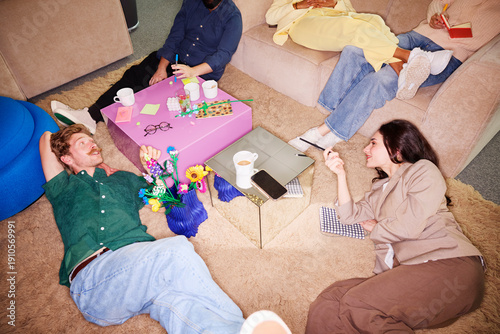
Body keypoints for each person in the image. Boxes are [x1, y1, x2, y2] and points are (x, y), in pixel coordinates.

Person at [39, 124, 292, 333]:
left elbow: (159, 198)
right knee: (177, 250)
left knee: (182, 305)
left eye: (91, 139)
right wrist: (73, 139)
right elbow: (45, 138)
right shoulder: (63, 188)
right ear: (66, 158)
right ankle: (241, 329)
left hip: (137, 282)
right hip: (94, 281)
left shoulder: (123, 179)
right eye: (82, 143)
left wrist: (149, 166)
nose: (92, 143)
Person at [306, 119, 485, 333]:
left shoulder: (423, 171)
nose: (365, 148)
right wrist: (340, 175)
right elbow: (349, 215)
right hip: (417, 282)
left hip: (451, 268)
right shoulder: (379, 191)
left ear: (397, 149)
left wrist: (376, 228)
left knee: (357, 303)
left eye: (373, 143)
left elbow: (409, 227)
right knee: (332, 299)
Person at [289, 0, 500, 152]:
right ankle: (331, 106)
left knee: (379, 80)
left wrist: (456, 32)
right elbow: (438, 4)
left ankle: (326, 132)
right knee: (355, 49)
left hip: (447, 55)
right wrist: (435, 17)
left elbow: (480, 40)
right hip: (418, 36)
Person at [51, 0, 242, 134]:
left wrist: (192, 71)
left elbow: (223, 55)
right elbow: (175, 36)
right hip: (176, 61)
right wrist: (162, 68)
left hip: (199, 73)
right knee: (136, 75)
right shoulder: (191, 3)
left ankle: (98, 118)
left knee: (160, 100)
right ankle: (90, 115)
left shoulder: (233, 17)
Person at [266, 0, 454, 96]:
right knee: (353, 28)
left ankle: (402, 72)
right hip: (302, 24)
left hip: (328, 16)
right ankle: (413, 56)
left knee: (374, 21)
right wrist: (299, 4)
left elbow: (349, 12)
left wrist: (334, 3)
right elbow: (271, 17)